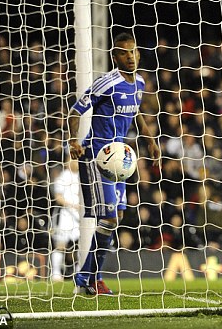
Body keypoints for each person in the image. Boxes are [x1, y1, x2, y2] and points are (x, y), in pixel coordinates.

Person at [67, 32, 161, 295]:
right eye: (124, 52)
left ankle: (89, 279)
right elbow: (76, 111)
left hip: (119, 160)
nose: (130, 57)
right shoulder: (106, 83)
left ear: (139, 54)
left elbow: (138, 112)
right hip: (97, 156)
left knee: (115, 218)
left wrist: (150, 141)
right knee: (108, 217)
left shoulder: (139, 83)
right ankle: (85, 279)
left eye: (133, 52)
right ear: (114, 56)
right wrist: (74, 141)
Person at [50, 158, 81, 282]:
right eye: (73, 160)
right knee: (61, 245)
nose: (75, 163)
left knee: (81, 245)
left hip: (80, 216)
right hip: (66, 216)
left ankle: (80, 270)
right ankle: (56, 273)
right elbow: (58, 197)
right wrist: (71, 205)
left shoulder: (83, 177)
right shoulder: (63, 177)